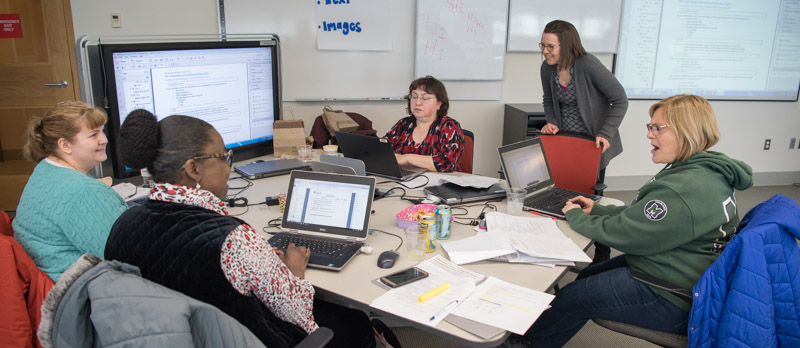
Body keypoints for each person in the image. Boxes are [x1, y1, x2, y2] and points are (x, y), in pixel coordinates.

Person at [105, 110, 378, 348]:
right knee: (355, 323)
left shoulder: (122, 224)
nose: (229, 168)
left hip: (174, 338)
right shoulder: (234, 239)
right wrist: (295, 274)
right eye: (224, 158)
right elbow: (298, 315)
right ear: (193, 168)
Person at [508, 94, 753, 347]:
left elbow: (628, 235)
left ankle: (528, 343)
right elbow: (647, 217)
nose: (649, 134)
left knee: (573, 297)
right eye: (650, 127)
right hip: (678, 268)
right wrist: (600, 210)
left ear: (686, 131)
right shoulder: (705, 170)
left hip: (673, 294)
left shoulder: (684, 187)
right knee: (587, 276)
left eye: (657, 128)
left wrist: (574, 215)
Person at [539, 19, 628, 262]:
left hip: (594, 144)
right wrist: (551, 121)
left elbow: (620, 99)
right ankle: (557, 245)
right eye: (542, 45)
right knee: (560, 191)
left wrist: (606, 132)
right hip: (566, 141)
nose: (545, 51)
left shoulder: (588, 65)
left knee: (592, 198)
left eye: (550, 46)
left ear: (566, 46)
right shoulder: (547, 68)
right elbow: (548, 99)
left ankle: (601, 254)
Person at [13, 101, 127, 282]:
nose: (104, 139)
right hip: (83, 292)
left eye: (102, 130)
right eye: (93, 134)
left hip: (53, 281)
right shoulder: (84, 192)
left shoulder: (46, 169)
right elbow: (127, 258)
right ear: (65, 145)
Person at [384, 75, 465, 172]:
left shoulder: (449, 126)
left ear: (439, 103)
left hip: (439, 184)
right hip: (404, 181)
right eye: (414, 97)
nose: (417, 102)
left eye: (425, 98)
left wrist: (407, 158)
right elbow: (381, 150)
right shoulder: (403, 124)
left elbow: (447, 163)